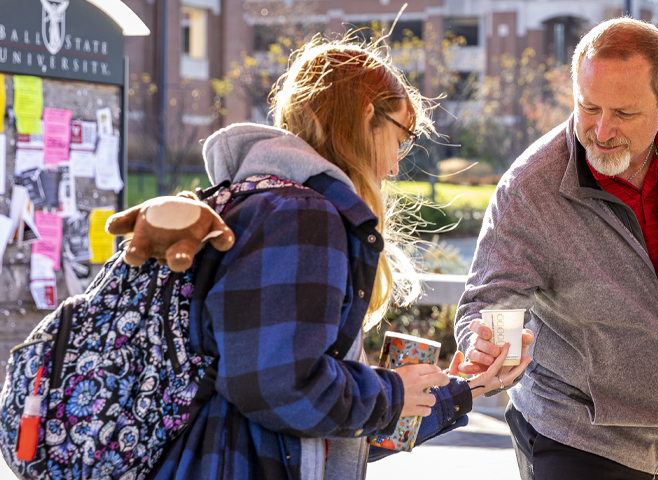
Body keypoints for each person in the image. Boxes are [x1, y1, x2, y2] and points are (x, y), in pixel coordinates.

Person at [147, 36, 530, 480]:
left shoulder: (256, 200)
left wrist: (459, 391)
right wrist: (392, 393)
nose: (394, 166)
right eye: (401, 137)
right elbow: (280, 386)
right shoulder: (301, 215)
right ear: (367, 115)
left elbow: (329, 428)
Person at [455, 18, 658, 480]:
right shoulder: (530, 187)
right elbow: (488, 302)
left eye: (623, 113)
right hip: (573, 438)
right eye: (589, 107)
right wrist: (484, 346)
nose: (602, 131)